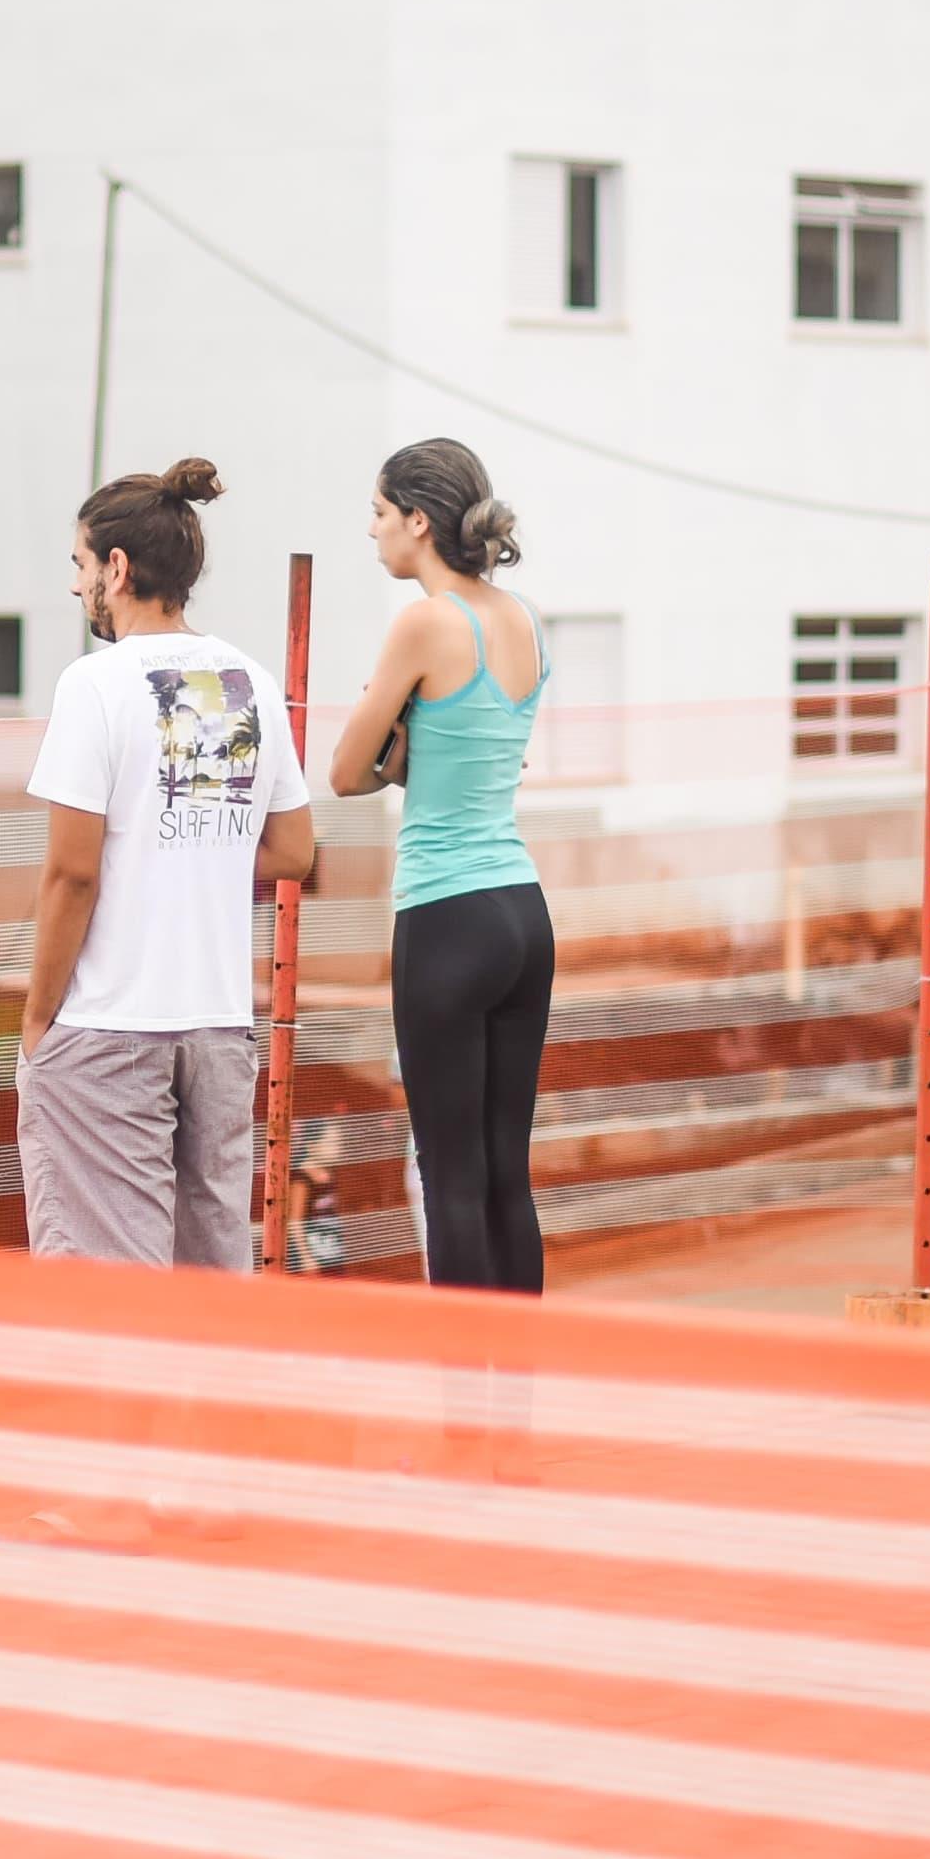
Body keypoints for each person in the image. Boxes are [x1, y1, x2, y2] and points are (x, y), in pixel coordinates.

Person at [17, 458, 318, 1264]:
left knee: (108, 1293)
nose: (79, 586)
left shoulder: (95, 685)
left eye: (81, 566)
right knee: (208, 1279)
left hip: (108, 1024)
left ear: (116, 569)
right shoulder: (247, 681)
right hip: (218, 1026)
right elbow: (294, 847)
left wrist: (38, 1020)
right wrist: (202, 849)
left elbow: (72, 872)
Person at [327, 438, 555, 1292]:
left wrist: (397, 755)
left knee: (450, 1177)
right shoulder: (524, 617)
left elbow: (347, 773)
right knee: (506, 1174)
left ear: (419, 521)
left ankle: (465, 1416)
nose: (375, 532)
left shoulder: (425, 621)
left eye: (381, 515)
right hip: (523, 913)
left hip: (446, 913)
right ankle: (516, 1403)